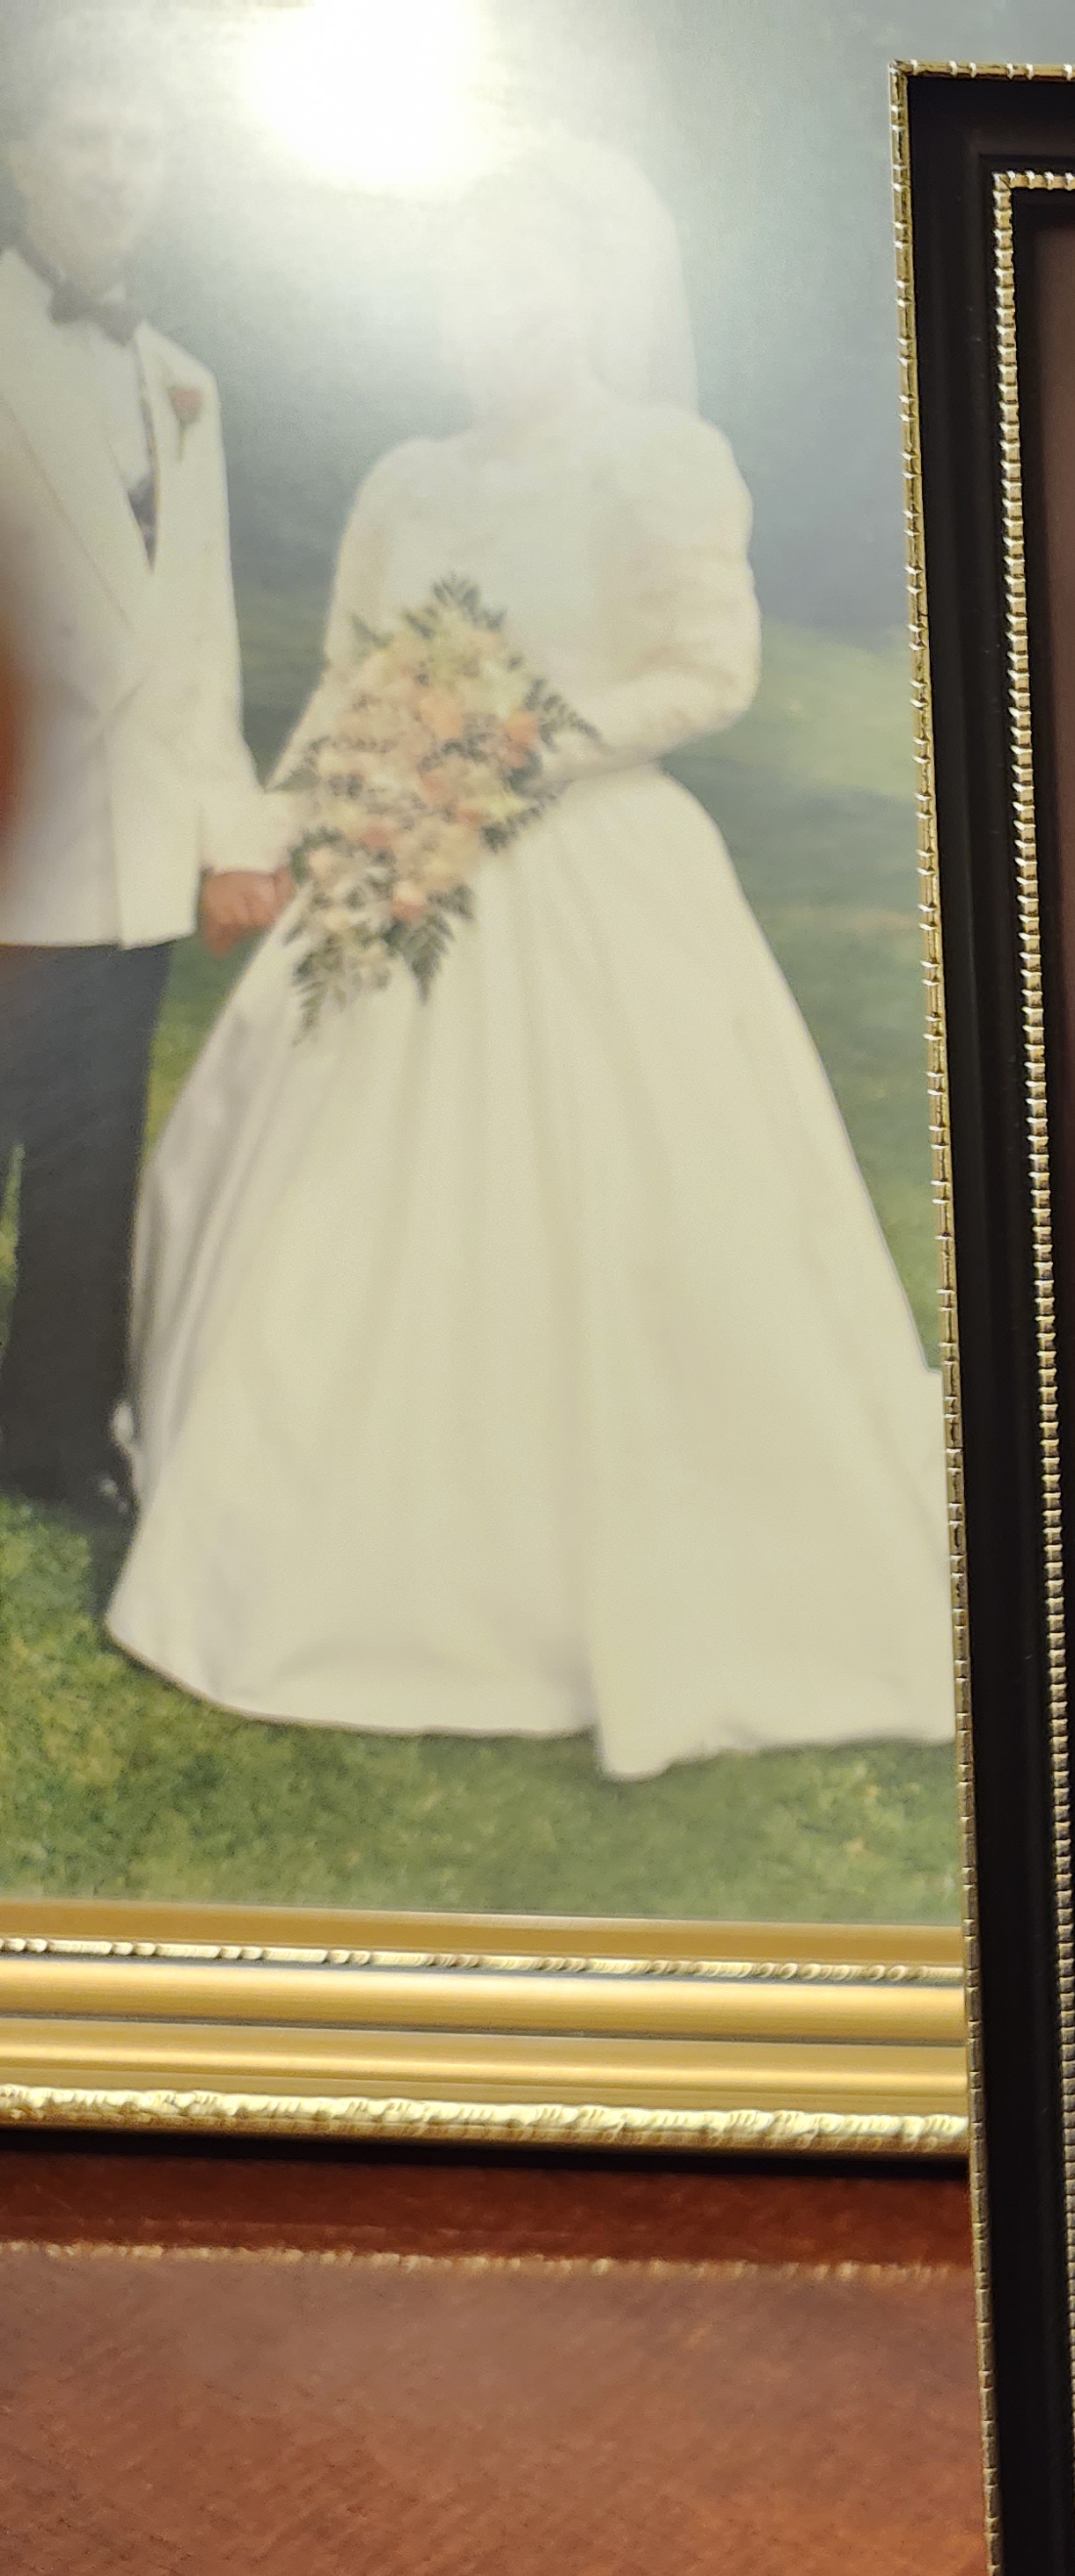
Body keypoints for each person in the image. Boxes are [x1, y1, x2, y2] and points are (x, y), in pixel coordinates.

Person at [103, 140, 951, 1780]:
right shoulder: (407, 477)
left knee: (616, 1201)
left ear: (593, 294)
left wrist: (515, 745)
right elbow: (352, 675)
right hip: (398, 861)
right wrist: (281, 828)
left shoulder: (663, 459)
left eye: (525, 280)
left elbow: (711, 670)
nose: (491, 312)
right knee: (314, 1185)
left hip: (589, 870)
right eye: (468, 281)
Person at [0, 19, 284, 1527]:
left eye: (142, 146)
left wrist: (232, 833)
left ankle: (54, 1438)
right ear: (21, 158)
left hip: (127, 843)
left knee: (91, 1150)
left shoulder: (185, 383)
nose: (114, 171)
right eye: (86, 140)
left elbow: (197, 634)